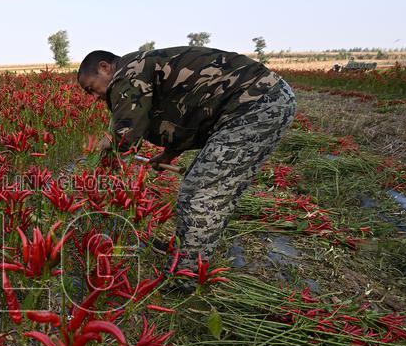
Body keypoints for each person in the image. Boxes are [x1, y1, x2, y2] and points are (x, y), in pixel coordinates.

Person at [77, 46, 296, 280]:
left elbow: (127, 133)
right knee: (199, 188)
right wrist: (168, 155)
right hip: (253, 103)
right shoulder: (141, 68)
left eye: (92, 88)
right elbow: (184, 117)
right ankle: (185, 254)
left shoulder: (128, 72)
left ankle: (185, 276)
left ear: (105, 67)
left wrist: (101, 144)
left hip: (256, 104)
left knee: (201, 193)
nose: (94, 97)